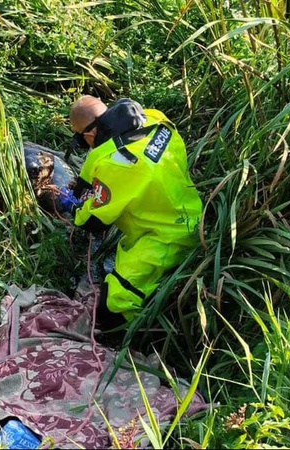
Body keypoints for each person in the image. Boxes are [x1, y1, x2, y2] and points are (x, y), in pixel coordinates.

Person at [60, 95, 203, 329]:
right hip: (191, 211)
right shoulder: (155, 119)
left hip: (165, 237)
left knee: (114, 304)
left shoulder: (116, 163)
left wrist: (73, 208)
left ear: (89, 135)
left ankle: (130, 339)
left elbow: (95, 222)